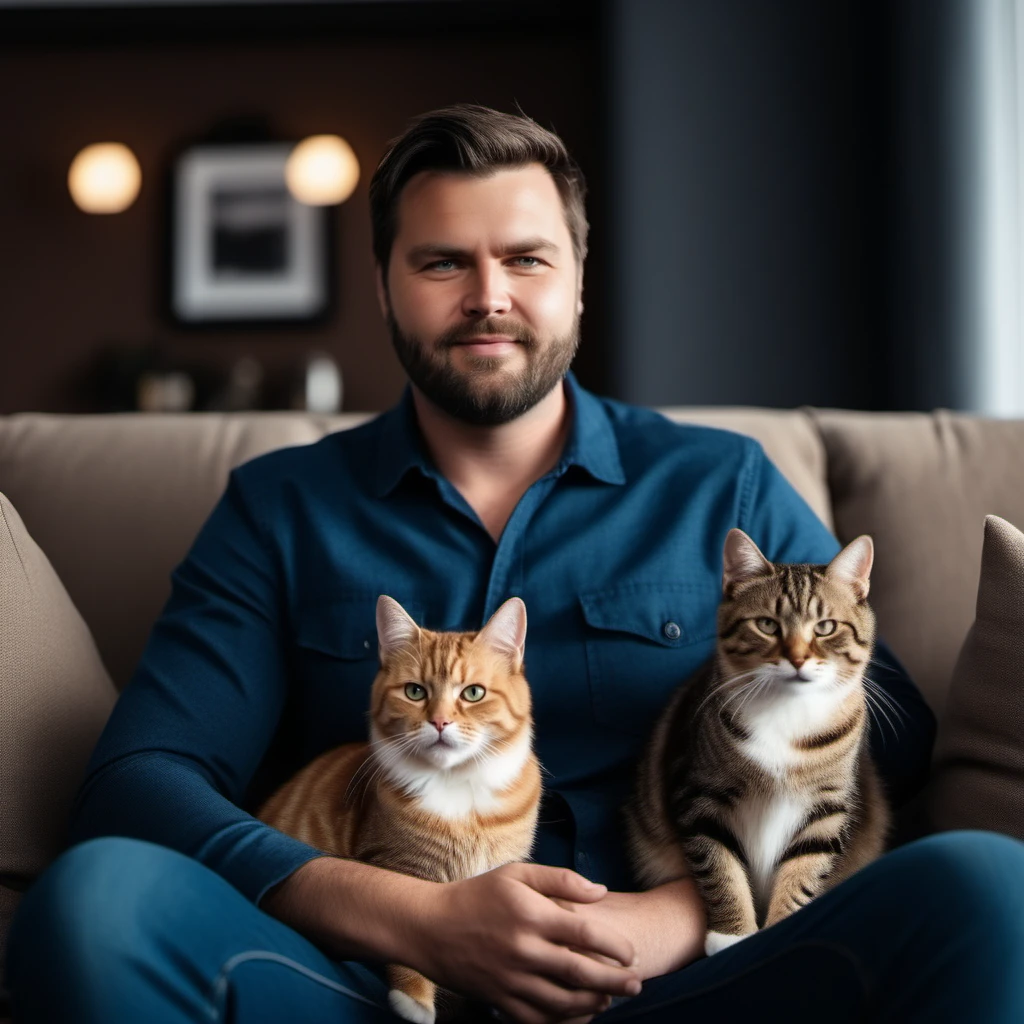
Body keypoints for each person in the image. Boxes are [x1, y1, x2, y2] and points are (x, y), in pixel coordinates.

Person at [6, 104, 1024, 1024]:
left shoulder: (722, 485)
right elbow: (139, 783)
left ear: (580, 280)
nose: (487, 297)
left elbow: (889, 740)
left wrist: (681, 913)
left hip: (695, 979)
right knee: (98, 901)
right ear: (385, 285)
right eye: (443, 261)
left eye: (527, 260)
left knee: (984, 885)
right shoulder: (280, 509)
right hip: (365, 990)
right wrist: (412, 919)